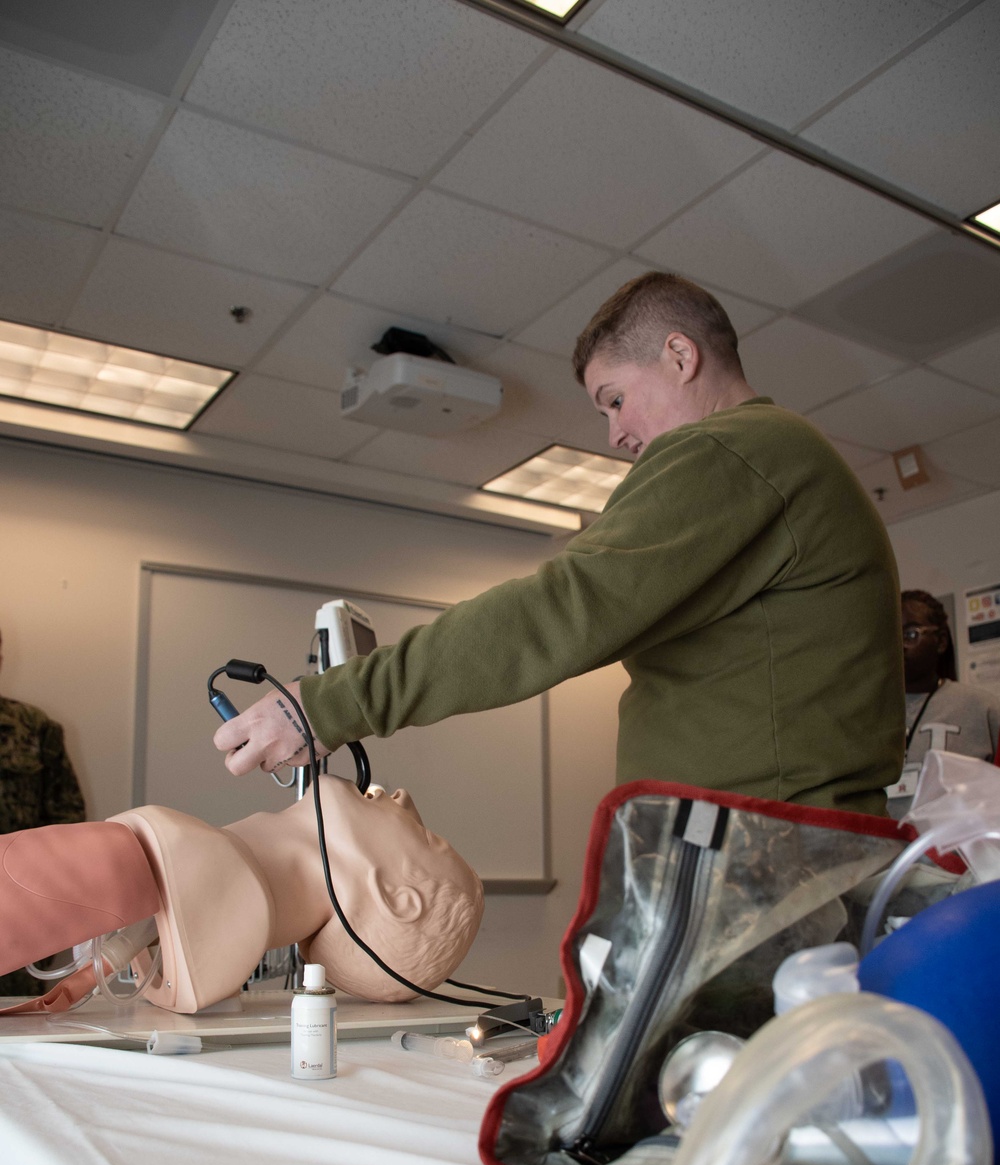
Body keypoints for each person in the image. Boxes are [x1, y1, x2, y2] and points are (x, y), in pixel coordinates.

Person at [213, 272, 904, 817]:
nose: (615, 435)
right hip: (760, 834)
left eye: (614, 399)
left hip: (762, 843)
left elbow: (558, 611)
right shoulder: (774, 459)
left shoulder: (735, 450)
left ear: (680, 355)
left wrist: (331, 704)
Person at [0, 777, 483, 1013]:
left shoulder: (161, 862)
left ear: (398, 898)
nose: (400, 796)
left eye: (425, 837)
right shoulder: (172, 862)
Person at [0, 626, 86, 998]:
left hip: (14, 924)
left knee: (17, 1036)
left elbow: (67, 831)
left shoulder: (34, 728)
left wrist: (47, 917)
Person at [886, 589, 1000, 819]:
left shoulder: (983, 708)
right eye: (890, 637)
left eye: (910, 634)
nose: (899, 646)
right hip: (885, 849)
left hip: (955, 849)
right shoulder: (868, 713)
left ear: (941, 642)